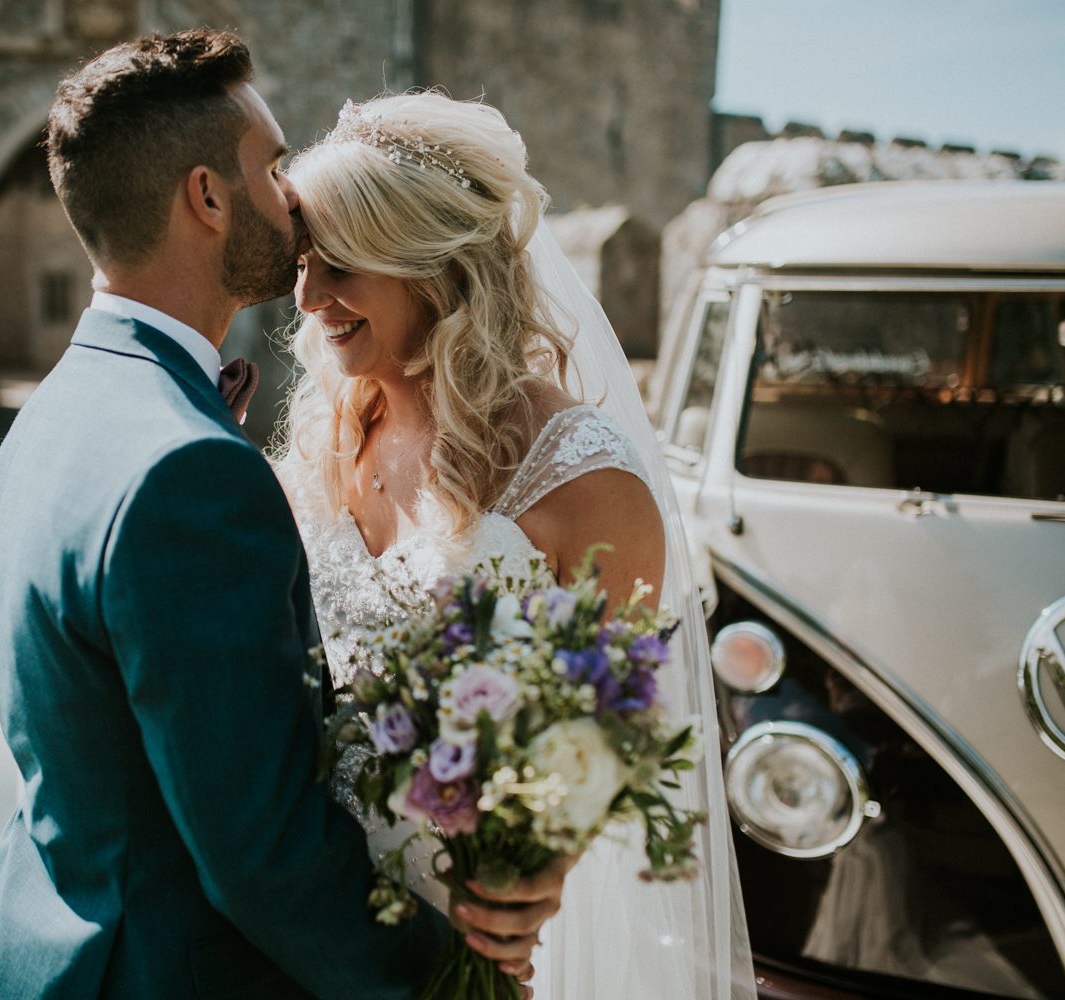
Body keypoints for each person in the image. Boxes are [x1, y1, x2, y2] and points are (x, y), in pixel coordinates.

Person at [0, 31, 569, 1000]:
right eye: (274, 166)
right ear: (207, 196)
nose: (293, 198)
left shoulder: (54, 411)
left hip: (42, 947)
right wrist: (448, 982)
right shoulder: (190, 469)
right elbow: (261, 852)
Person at [275, 93, 755, 1000]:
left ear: (433, 264)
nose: (306, 298)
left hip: (473, 930)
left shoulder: (579, 474)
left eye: (338, 264)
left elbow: (617, 719)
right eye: (303, 263)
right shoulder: (323, 438)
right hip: (309, 916)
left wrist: (537, 867)